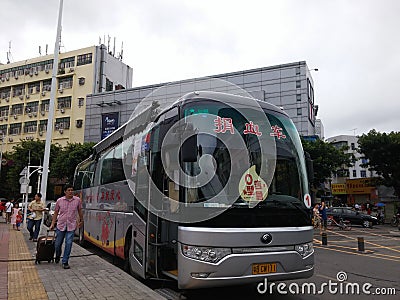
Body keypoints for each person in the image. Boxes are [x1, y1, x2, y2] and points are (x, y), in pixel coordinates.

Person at [50, 184, 83, 269]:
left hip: (71, 225)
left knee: (68, 243)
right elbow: (56, 212)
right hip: (61, 225)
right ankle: (57, 255)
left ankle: (65, 261)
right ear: (65, 192)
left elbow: (80, 211)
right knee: (57, 244)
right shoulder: (59, 201)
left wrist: (81, 221)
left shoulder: (77, 200)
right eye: (68, 190)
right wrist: (52, 223)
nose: (70, 192)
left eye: (72, 190)